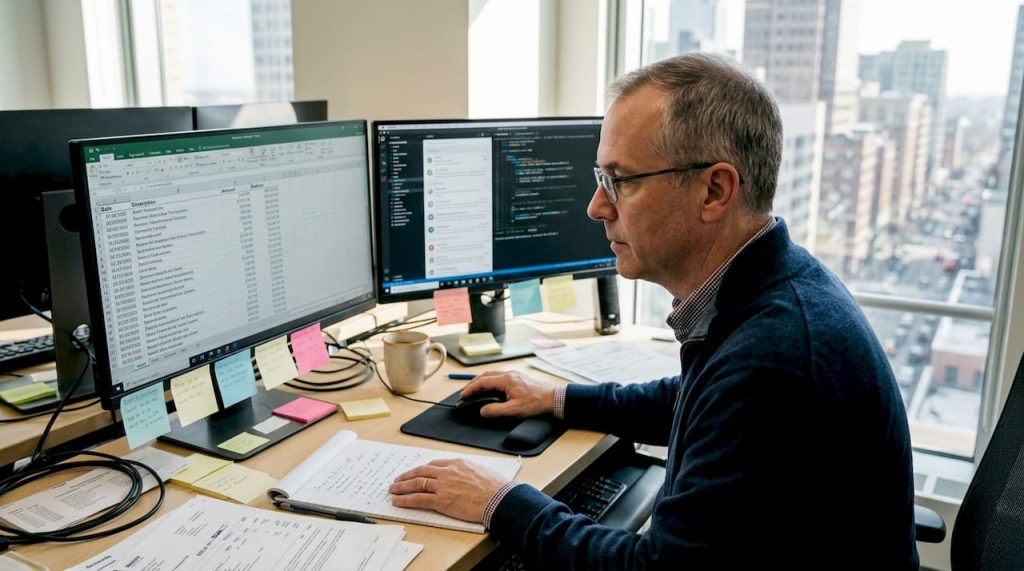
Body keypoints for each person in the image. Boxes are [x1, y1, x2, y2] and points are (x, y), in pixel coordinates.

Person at [389, 53, 919, 568]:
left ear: (715, 190)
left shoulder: (775, 357)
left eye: (619, 180)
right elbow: (698, 401)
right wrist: (557, 399)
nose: (597, 207)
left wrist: (500, 502)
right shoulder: (774, 288)